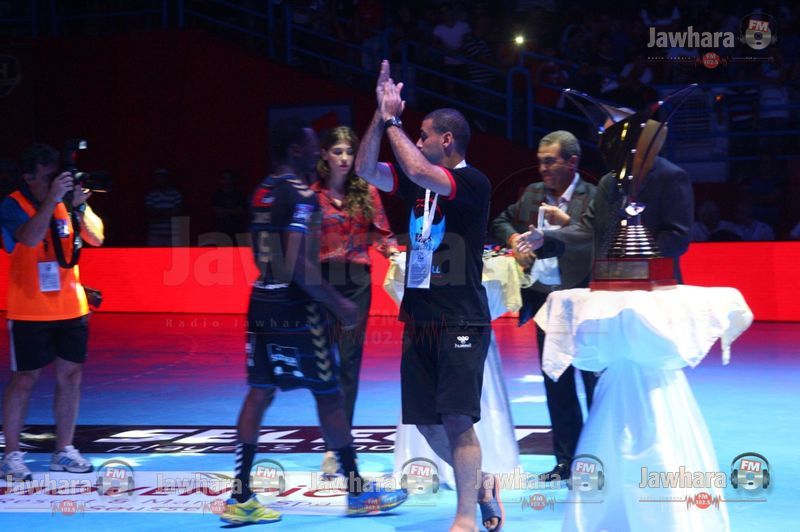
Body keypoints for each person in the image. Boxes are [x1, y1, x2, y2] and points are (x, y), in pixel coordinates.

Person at [220, 117, 406, 525]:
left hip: (261, 299)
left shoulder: (263, 190)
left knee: (260, 392)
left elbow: (264, 256)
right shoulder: (303, 195)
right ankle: (357, 492)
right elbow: (300, 266)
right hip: (297, 308)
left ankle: (240, 496)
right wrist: (338, 303)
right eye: (310, 145)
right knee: (329, 395)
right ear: (296, 151)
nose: (317, 152)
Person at [355, 59, 502, 532]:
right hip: (419, 314)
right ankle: (482, 485)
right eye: (414, 135)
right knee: (425, 421)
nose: (416, 142)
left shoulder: (472, 182)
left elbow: (417, 168)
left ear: (447, 140)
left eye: (423, 135)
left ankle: (465, 517)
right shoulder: (417, 187)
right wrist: (379, 116)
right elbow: (364, 168)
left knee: (457, 418)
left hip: (461, 317)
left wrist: (394, 122)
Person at [491, 130, 598, 483]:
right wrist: (514, 240)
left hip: (586, 303)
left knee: (594, 383)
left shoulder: (593, 196)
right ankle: (565, 462)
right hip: (545, 302)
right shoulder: (533, 194)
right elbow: (500, 220)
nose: (543, 169)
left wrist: (565, 224)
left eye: (550, 161)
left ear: (572, 162)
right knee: (556, 382)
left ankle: (599, 458)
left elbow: (599, 240)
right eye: (540, 162)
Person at [0, 143, 104, 480]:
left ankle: (64, 450)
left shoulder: (67, 202)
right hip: (29, 309)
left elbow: (97, 238)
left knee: (71, 377)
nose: (55, 181)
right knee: (24, 379)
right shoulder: (13, 204)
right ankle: (11, 455)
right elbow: (28, 239)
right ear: (29, 176)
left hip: (71, 307)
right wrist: (52, 201)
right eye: (48, 176)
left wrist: (80, 205)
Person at [312, 126, 399, 475]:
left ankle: (337, 446)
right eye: (338, 151)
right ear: (324, 154)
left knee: (349, 363)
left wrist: (393, 253)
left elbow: (382, 233)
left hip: (357, 283)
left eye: (350, 151)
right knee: (324, 367)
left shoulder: (367, 190)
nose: (345, 158)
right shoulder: (311, 195)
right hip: (321, 283)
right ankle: (331, 436)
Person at [144, 168, 183, 246]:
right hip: (155, 234)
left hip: (172, 234)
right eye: (158, 177)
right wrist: (169, 212)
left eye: (162, 177)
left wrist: (159, 212)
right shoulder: (151, 195)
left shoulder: (175, 194)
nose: (161, 180)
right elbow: (150, 213)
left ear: (167, 178)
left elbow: (177, 212)